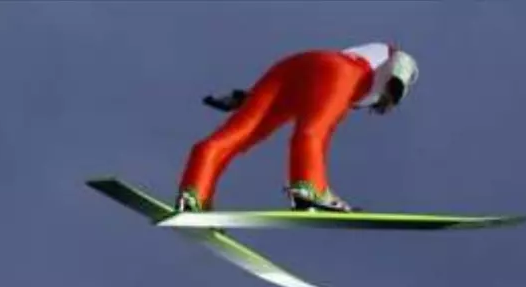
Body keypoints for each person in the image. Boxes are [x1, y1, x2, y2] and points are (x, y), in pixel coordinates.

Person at [177, 43, 419, 214]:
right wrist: (397, 89)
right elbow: (404, 63)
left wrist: (248, 98)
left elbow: (312, 78)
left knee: (239, 134)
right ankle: (309, 190)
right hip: (338, 69)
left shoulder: (367, 70)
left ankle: (193, 195)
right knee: (315, 130)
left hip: (292, 68)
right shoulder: (381, 67)